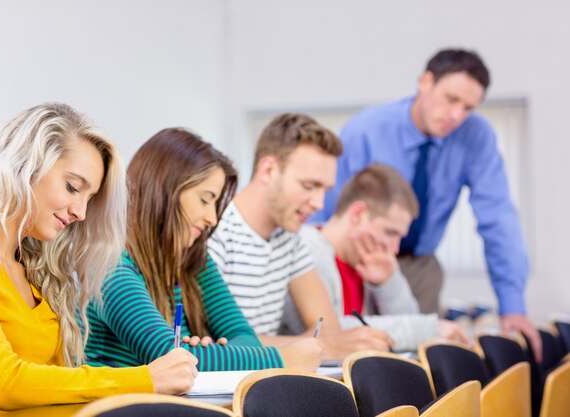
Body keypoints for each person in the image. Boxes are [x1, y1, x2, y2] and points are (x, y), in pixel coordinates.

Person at [0, 103, 197, 416]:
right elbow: (6, 384)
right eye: (72, 187)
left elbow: (56, 386)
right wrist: (145, 379)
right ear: (26, 166)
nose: (81, 212)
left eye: (89, 198)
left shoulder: (33, 269)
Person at [313, 48, 542, 361]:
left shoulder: (475, 136)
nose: (456, 116)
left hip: (421, 264)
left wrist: (513, 305)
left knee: (424, 361)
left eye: (468, 108)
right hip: (357, 257)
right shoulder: (366, 130)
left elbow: (498, 219)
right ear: (425, 82)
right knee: (362, 352)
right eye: (451, 99)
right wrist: (314, 260)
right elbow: (331, 210)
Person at [84, 128, 320, 372]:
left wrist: (206, 354)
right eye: (205, 199)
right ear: (165, 190)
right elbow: (169, 358)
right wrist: (282, 360)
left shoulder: (194, 261)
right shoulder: (110, 267)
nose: (212, 218)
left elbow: (246, 337)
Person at [208, 112, 394, 360]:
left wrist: (318, 344)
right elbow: (213, 345)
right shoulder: (213, 230)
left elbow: (328, 330)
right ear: (268, 170)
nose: (318, 204)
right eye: (309, 186)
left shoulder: (290, 238)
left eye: (325, 190)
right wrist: (319, 346)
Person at [281, 164, 469, 351]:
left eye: (399, 237)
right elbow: (330, 333)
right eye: (389, 232)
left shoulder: (371, 260)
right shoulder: (305, 250)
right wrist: (428, 330)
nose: (395, 248)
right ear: (358, 214)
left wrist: (388, 284)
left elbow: (412, 333)